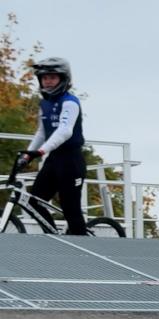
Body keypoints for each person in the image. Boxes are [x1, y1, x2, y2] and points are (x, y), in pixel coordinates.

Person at [14, 57, 88, 235]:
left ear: (63, 79)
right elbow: (41, 132)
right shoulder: (44, 103)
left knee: (70, 208)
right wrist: (28, 154)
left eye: (52, 78)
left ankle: (84, 249)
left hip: (71, 161)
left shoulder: (70, 102)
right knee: (34, 201)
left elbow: (65, 131)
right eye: (45, 78)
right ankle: (54, 237)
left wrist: (40, 151)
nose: (48, 81)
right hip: (54, 159)